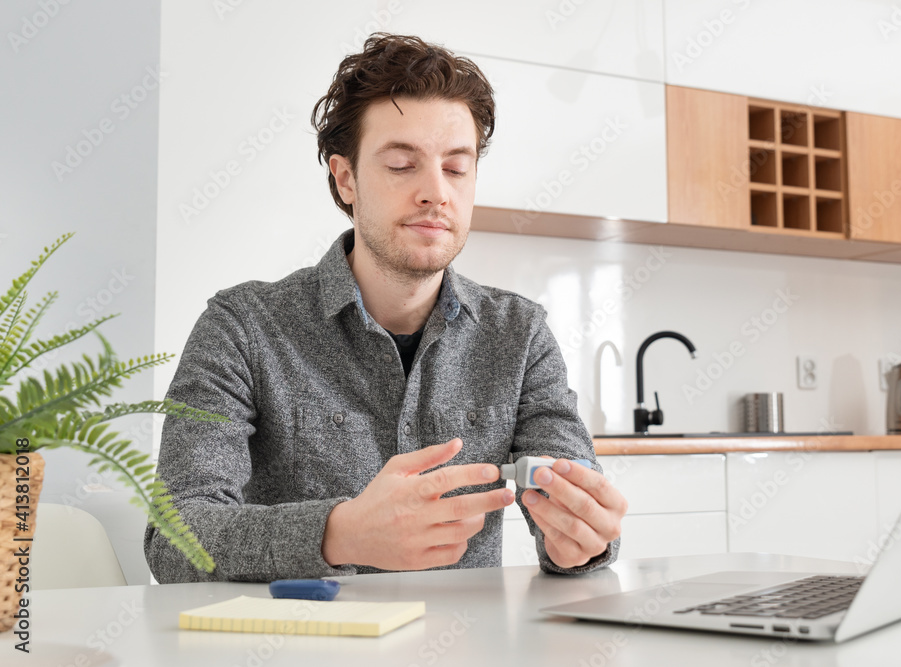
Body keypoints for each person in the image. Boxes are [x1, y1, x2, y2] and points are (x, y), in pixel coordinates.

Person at [144, 33, 626, 582]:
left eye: (456, 167)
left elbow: (578, 510)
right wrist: (339, 532)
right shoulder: (242, 328)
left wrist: (580, 544)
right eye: (402, 164)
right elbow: (174, 540)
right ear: (345, 178)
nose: (435, 192)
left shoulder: (520, 333)